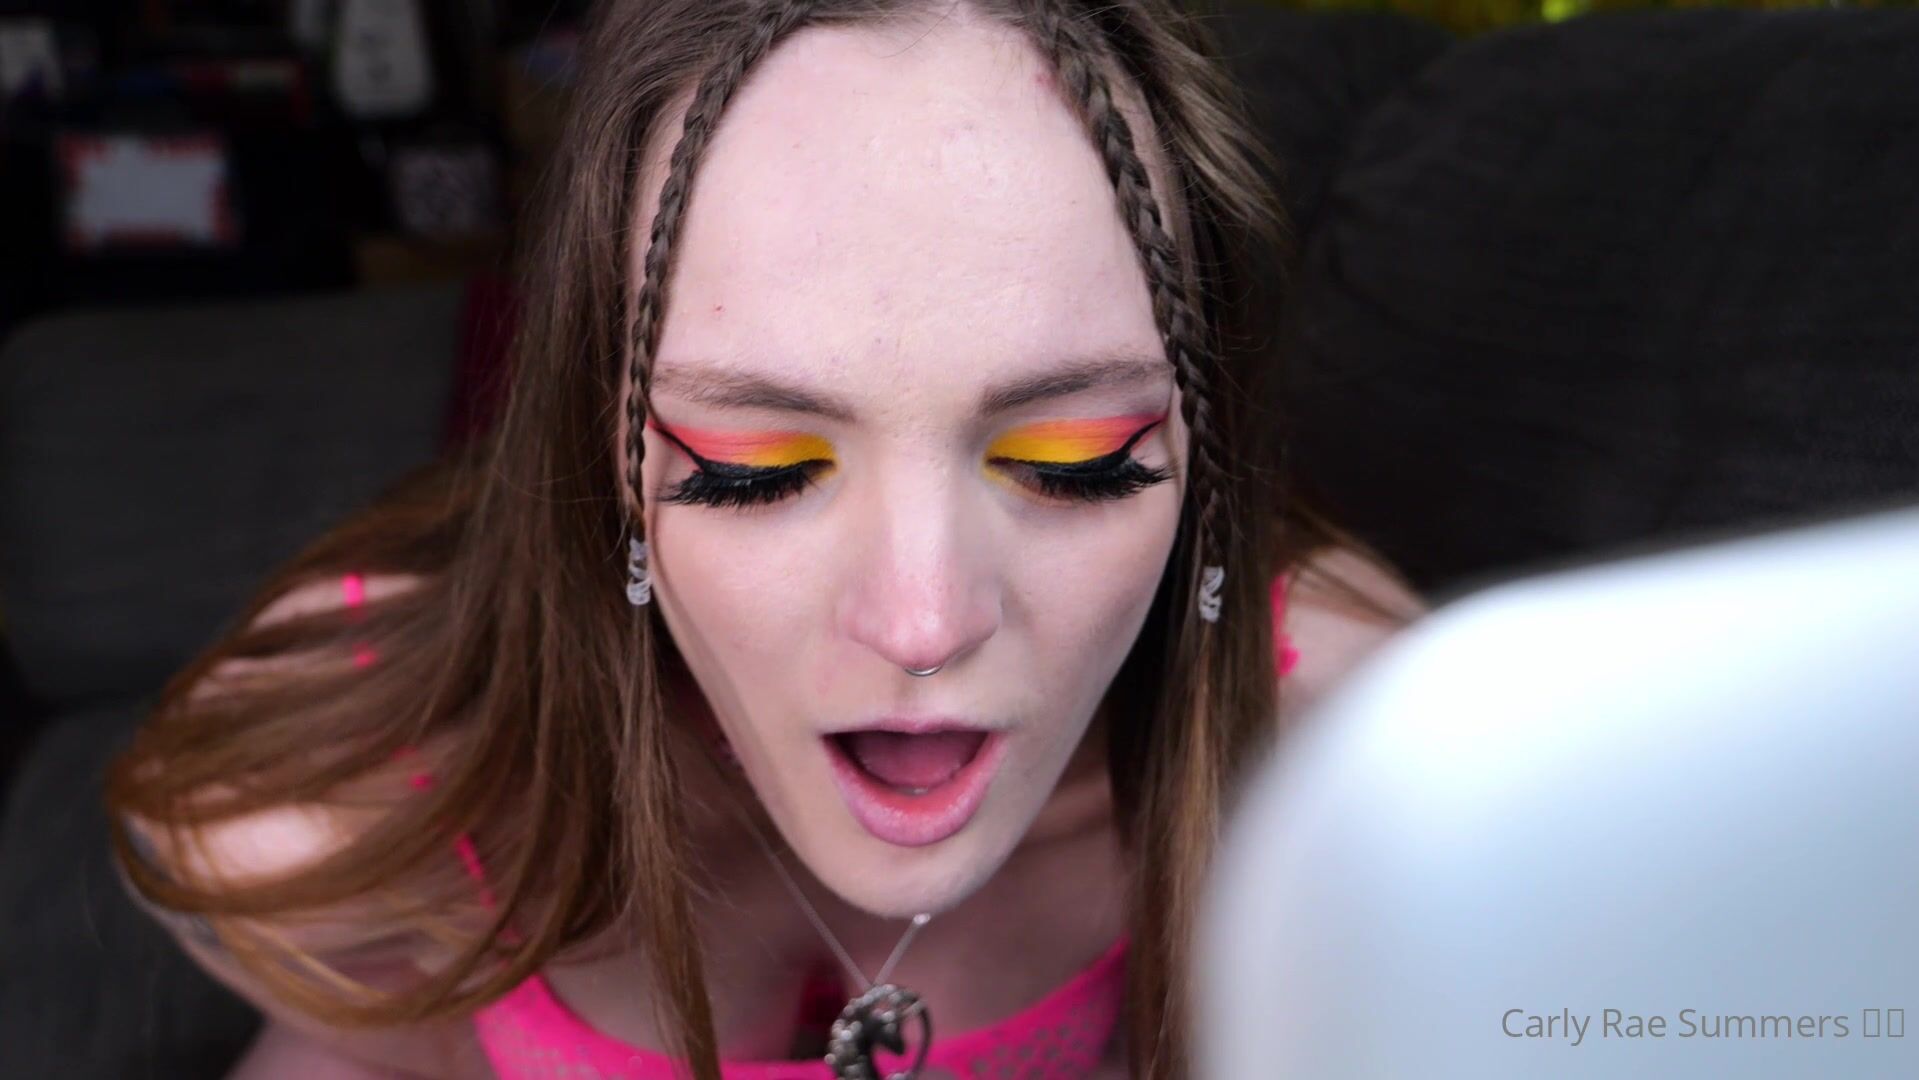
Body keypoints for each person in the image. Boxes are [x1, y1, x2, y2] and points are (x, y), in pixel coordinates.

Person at [105, 2, 1426, 1077]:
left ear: (1202, 454)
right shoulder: (313, 822)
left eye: (1074, 460)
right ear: (606, 456)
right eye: (755, 471)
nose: (923, 624)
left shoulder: (1382, 751)